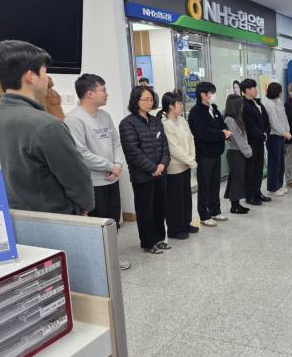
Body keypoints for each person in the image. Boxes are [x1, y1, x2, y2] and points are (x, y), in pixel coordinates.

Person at [0, 40, 93, 215]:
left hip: (8, 219)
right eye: (45, 72)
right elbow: (77, 181)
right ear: (30, 76)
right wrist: (83, 208)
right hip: (53, 220)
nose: (47, 79)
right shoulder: (47, 126)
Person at [64, 73, 130, 270]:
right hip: (93, 183)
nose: (106, 94)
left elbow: (116, 142)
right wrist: (110, 166)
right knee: (97, 225)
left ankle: (112, 258)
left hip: (112, 179)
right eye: (103, 90)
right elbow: (81, 153)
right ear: (90, 93)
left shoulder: (105, 116)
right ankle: (100, 264)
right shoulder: (74, 119)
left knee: (113, 222)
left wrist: (118, 165)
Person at [119, 86, 171, 254]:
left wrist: (162, 164)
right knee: (145, 210)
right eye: (146, 99)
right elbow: (132, 152)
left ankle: (159, 238)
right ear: (136, 101)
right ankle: (148, 243)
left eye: (151, 99)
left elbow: (165, 146)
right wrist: (153, 168)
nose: (150, 102)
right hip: (142, 176)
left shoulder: (156, 121)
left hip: (160, 173)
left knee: (160, 208)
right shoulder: (127, 123)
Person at [188, 81, 230, 227]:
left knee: (215, 184)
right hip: (204, 154)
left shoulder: (214, 109)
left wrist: (225, 132)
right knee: (205, 185)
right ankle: (204, 215)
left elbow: (222, 125)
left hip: (216, 152)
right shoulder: (195, 112)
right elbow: (202, 133)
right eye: (212, 93)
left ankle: (215, 210)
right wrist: (221, 134)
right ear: (203, 95)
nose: (214, 96)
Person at [158, 91, 199, 240]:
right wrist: (190, 160)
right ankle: (174, 229)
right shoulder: (165, 124)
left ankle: (185, 223)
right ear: (170, 106)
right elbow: (173, 148)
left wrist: (191, 158)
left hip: (186, 164)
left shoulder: (182, 120)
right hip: (174, 167)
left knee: (186, 197)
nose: (182, 106)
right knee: (175, 200)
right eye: (179, 103)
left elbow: (191, 139)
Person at [240, 78, 271, 206]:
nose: (256, 90)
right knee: (250, 169)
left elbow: (266, 121)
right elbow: (249, 126)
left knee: (259, 168)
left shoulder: (258, 103)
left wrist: (266, 133)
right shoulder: (244, 105)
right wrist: (261, 135)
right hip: (251, 142)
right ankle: (249, 195)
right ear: (247, 90)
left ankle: (257, 192)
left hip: (260, 141)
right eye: (254, 88)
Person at [223, 94, 252, 214]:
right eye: (240, 104)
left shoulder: (236, 119)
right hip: (235, 153)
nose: (242, 106)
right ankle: (234, 206)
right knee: (236, 179)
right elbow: (237, 138)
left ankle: (236, 204)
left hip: (239, 152)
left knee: (238, 179)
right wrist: (248, 151)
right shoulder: (229, 120)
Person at [261, 82, 291, 196]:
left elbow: (284, 117)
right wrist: (284, 133)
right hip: (273, 136)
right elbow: (274, 122)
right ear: (277, 92)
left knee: (281, 162)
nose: (281, 92)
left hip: (282, 135)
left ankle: (279, 184)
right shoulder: (269, 104)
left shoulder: (278, 101)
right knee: (274, 163)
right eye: (280, 90)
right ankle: (273, 188)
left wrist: (287, 130)